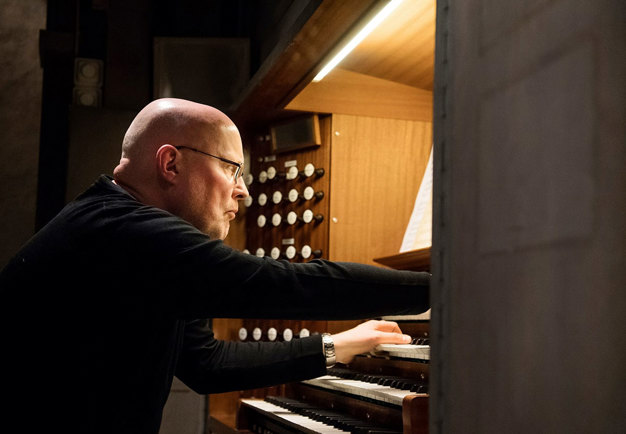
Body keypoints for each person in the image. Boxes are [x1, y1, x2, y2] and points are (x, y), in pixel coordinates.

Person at [0, 98, 429, 433]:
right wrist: (446, 287)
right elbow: (278, 284)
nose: (242, 192)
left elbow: (206, 364)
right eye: (232, 169)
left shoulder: (135, 241)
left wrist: (338, 346)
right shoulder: (125, 231)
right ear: (171, 163)